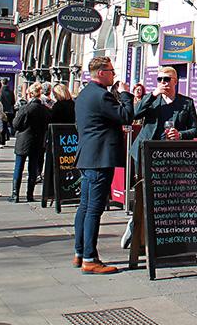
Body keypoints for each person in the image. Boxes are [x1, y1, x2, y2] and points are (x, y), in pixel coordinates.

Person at [121, 66, 197, 248]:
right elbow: (134, 113)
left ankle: (164, 232)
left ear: (175, 81)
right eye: (160, 79)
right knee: (145, 192)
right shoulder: (152, 101)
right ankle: (135, 226)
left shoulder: (186, 103)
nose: (163, 82)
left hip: (170, 155)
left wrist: (181, 134)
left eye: (167, 79)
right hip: (145, 152)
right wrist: (153, 95)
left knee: (166, 195)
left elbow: (194, 129)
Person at [73, 56, 133, 274]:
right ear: (101, 73)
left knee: (85, 207)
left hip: (87, 156)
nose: (113, 74)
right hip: (99, 159)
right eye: (110, 71)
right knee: (93, 211)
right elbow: (126, 116)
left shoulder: (84, 94)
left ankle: (80, 252)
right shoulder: (101, 95)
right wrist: (126, 93)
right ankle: (90, 258)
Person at [11, 82, 51, 203]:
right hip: (38, 141)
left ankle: (15, 195)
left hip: (23, 141)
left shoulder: (25, 109)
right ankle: (30, 195)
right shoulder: (46, 110)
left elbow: (16, 125)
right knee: (33, 168)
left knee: (19, 167)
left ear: (29, 94)